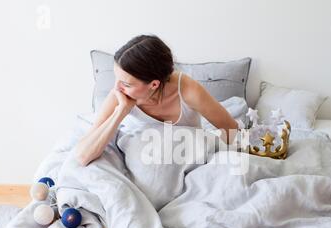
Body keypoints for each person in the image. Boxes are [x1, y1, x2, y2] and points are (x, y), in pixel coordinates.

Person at [75, 34, 239, 167]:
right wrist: (121, 112)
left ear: (154, 84)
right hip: (141, 160)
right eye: (116, 78)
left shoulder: (189, 91)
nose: (116, 87)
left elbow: (232, 129)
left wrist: (215, 163)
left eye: (125, 83)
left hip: (183, 161)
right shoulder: (119, 94)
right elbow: (83, 156)